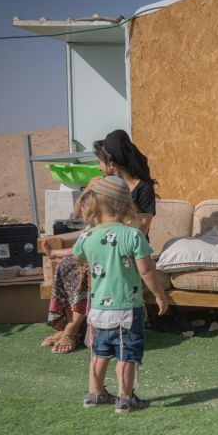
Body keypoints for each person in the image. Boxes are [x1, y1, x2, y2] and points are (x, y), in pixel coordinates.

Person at [44, 129, 158, 353]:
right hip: (99, 246)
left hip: (125, 250)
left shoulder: (143, 188)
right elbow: (75, 215)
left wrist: (116, 212)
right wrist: (88, 190)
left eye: (99, 161)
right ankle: (69, 326)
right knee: (67, 266)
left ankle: (72, 328)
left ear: (111, 161)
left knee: (86, 269)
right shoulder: (102, 184)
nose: (98, 167)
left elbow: (142, 228)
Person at [71, 175, 168, 414]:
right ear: (126, 205)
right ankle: (125, 398)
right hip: (127, 307)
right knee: (126, 354)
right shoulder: (133, 235)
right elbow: (146, 271)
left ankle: (94, 394)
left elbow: (77, 256)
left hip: (97, 310)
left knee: (99, 352)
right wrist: (160, 295)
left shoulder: (87, 236)